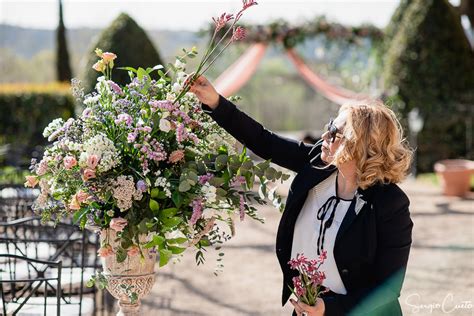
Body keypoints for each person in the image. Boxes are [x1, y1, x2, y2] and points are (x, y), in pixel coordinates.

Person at [189, 75, 414, 316]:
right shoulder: (318, 164)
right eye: (329, 126)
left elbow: (388, 288)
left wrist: (329, 308)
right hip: (309, 307)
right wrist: (215, 102)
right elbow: (265, 142)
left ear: (359, 145)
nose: (325, 136)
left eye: (334, 132)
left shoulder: (391, 204)